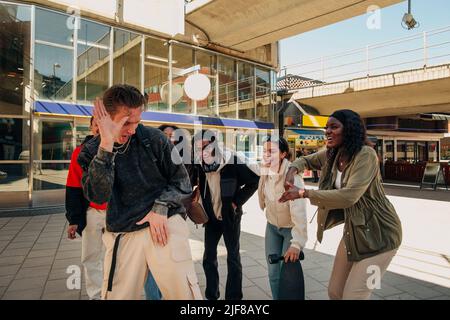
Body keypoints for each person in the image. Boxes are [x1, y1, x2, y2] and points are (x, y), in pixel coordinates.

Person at [78, 84, 202, 300]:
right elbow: (98, 195)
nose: (133, 129)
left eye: (137, 121)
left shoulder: (154, 139)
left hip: (164, 223)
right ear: (105, 119)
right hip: (124, 232)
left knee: (185, 295)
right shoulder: (90, 152)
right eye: (126, 122)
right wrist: (106, 145)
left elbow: (182, 182)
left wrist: (160, 208)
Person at [280, 109, 402, 300]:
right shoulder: (333, 155)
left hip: (382, 238)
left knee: (356, 295)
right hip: (354, 232)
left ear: (350, 130)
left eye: (334, 127)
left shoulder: (366, 155)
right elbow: (306, 160)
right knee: (335, 292)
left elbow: (349, 196)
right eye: (326, 127)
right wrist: (292, 170)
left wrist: (303, 193)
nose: (327, 131)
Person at [192, 130, 259, 300]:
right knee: (208, 258)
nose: (202, 151)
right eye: (198, 147)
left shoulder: (231, 161)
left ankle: (234, 298)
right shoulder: (199, 165)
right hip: (211, 218)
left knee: (233, 258)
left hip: (230, 217)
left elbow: (254, 181)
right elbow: (189, 181)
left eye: (205, 145)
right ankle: (211, 295)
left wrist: (236, 202)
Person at [258, 136, 307, 300]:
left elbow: (300, 212)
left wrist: (297, 243)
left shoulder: (292, 176)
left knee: (288, 274)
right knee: (273, 272)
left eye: (271, 151)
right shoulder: (265, 171)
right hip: (272, 226)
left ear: (283, 154)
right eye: (264, 151)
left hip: (290, 230)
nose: (266, 155)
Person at [65, 116, 107, 300]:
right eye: (95, 124)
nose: (99, 128)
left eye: (102, 124)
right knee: (91, 256)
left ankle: (116, 293)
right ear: (91, 127)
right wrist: (74, 219)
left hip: (117, 212)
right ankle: (96, 295)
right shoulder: (80, 152)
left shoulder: (121, 151)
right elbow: (73, 186)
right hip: (92, 212)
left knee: (120, 257)